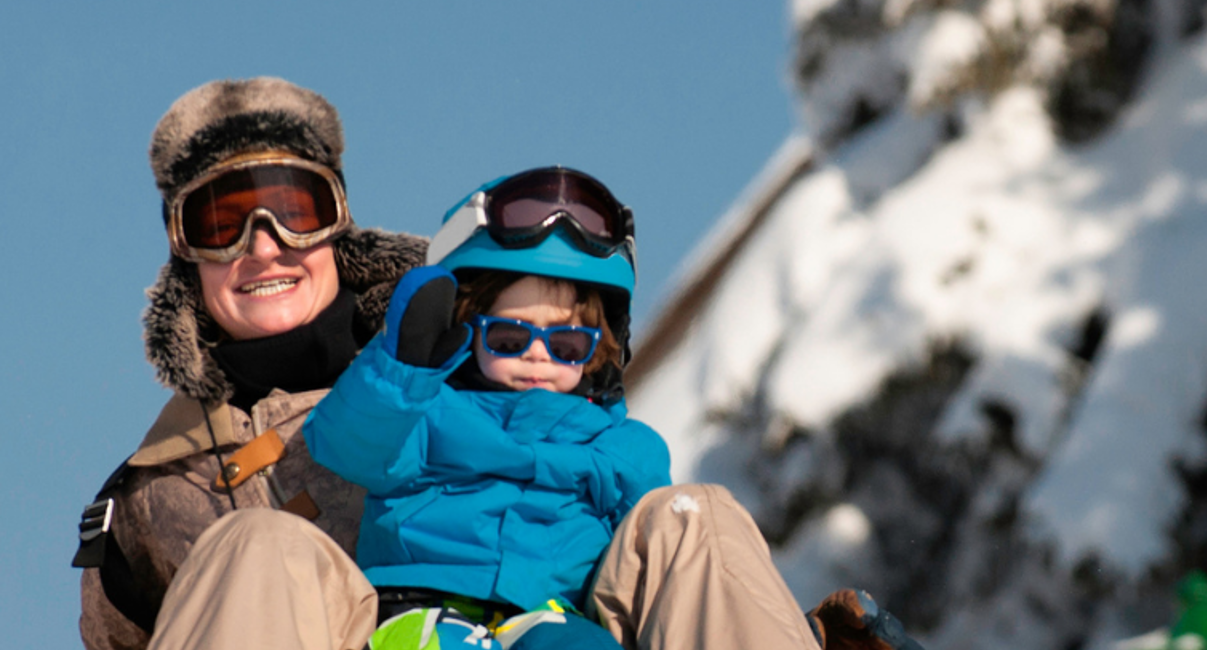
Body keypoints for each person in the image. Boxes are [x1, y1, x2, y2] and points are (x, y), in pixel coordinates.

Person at [308, 167, 925, 650]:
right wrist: (403, 365)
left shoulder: (619, 447)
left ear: (598, 352)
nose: (537, 358)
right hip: (424, 614)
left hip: (552, 618)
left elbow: (675, 563)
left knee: (671, 535)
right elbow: (349, 445)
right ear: (463, 329)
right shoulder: (427, 414)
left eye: (567, 343)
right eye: (508, 338)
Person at [74, 77, 426, 650]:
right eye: (221, 224)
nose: (263, 247)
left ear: (337, 223)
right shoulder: (148, 496)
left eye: (295, 211)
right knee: (258, 544)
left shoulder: (462, 375)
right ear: (185, 256)